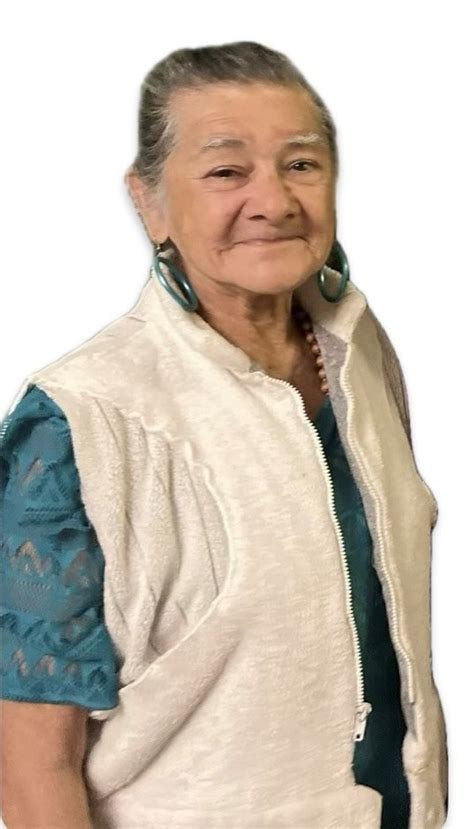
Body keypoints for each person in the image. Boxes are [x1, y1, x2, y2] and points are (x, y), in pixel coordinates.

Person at [0, 40, 448, 829]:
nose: (273, 200)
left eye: (301, 164)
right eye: (226, 170)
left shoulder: (358, 350)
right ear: (150, 202)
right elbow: (29, 766)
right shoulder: (78, 421)